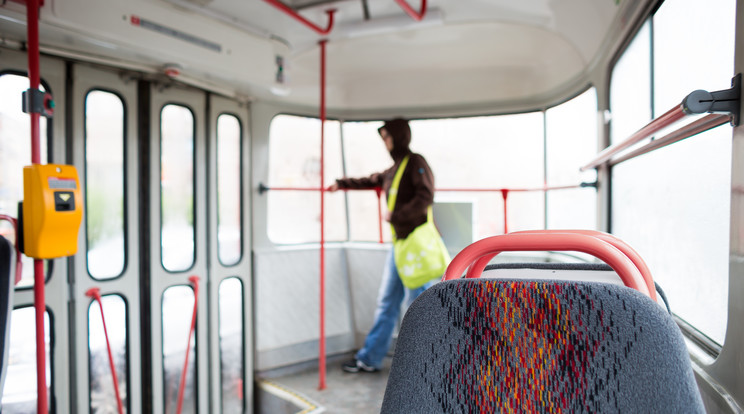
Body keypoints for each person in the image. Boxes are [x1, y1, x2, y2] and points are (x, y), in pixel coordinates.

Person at [328, 118, 436, 373]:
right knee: (388, 302)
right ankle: (370, 357)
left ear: (398, 137)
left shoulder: (415, 163)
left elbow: (426, 197)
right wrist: (342, 184)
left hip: (415, 247)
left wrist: (396, 215)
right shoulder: (396, 169)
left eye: (387, 137)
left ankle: (426, 361)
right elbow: (373, 179)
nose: (385, 142)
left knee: (419, 305)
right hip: (400, 247)